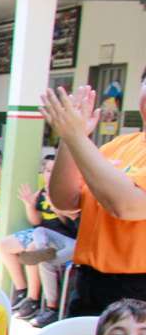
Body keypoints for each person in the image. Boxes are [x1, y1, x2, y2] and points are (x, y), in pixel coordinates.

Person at [43, 75, 146, 316]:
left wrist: (77, 138)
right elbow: (65, 200)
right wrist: (70, 139)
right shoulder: (117, 146)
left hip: (137, 291)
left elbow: (125, 206)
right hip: (90, 281)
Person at [0, 155, 80, 327]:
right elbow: (36, 222)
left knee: (36, 250)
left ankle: (34, 299)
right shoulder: (42, 193)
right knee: (6, 244)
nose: (51, 175)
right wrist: (29, 205)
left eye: (55, 171)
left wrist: (58, 209)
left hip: (63, 238)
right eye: (48, 171)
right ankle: (22, 291)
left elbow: (73, 227)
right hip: (43, 235)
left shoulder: (70, 193)